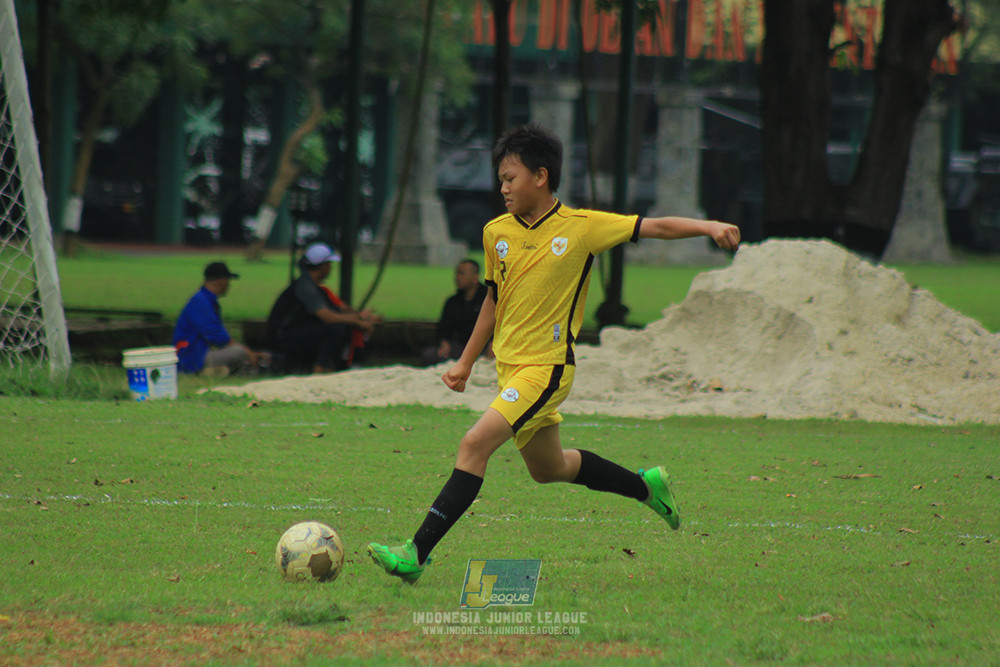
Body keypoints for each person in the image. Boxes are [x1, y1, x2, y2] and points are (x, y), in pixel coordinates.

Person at [367, 124, 740, 583]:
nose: (502, 188)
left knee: (473, 444)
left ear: (540, 176)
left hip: (547, 369)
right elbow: (493, 299)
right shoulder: (495, 233)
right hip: (509, 369)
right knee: (550, 468)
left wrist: (710, 226)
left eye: (511, 178)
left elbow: (655, 226)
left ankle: (414, 554)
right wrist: (466, 360)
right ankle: (646, 487)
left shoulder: (581, 228)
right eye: (500, 179)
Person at [266, 242, 381, 374]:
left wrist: (360, 317)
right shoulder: (305, 288)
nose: (330, 267)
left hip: (297, 333)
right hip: (284, 338)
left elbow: (337, 311)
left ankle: (340, 367)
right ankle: (320, 370)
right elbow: (327, 317)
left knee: (342, 328)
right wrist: (357, 321)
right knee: (335, 330)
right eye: (329, 264)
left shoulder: (314, 287)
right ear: (323, 266)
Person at [173, 262, 263, 376]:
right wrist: (247, 352)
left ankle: (218, 371)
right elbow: (216, 336)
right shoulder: (200, 301)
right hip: (192, 357)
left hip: (198, 353)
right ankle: (202, 371)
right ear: (222, 281)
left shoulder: (205, 299)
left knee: (239, 352)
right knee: (239, 353)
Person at [420, 259, 489, 367]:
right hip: (461, 346)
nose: (457, 277)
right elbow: (443, 328)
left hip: (484, 347)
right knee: (429, 355)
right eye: (456, 273)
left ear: (475, 277)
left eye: (462, 274)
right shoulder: (452, 302)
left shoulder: (488, 299)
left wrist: (493, 344)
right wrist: (444, 342)